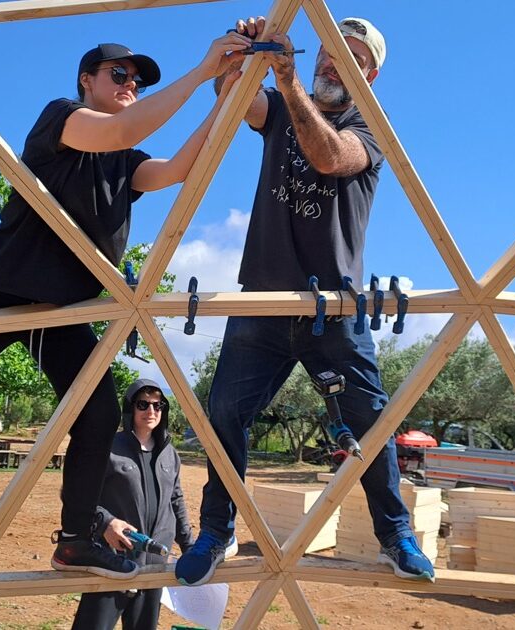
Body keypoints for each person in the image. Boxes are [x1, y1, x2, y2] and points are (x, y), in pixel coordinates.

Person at [0, 32, 252, 607]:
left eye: (137, 81)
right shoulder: (62, 120)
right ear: (87, 80)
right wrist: (206, 67)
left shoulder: (126, 166)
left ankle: (76, 538)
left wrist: (228, 94)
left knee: (100, 412)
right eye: (119, 75)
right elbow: (126, 130)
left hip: (58, 311)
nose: (130, 85)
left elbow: (182, 167)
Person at [175, 17, 436, 586]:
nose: (329, 63)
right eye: (325, 51)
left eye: (347, 57)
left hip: (334, 309)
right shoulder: (276, 106)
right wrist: (239, 53)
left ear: (370, 74)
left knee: (372, 421)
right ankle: (217, 531)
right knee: (224, 414)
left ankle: (395, 535)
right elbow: (236, 101)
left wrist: (290, 84)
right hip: (263, 301)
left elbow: (328, 157)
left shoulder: (370, 129)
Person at [72, 379, 191, 629]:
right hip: (113, 560)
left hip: (155, 563)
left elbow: (176, 500)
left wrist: (189, 545)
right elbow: (79, 495)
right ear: (130, 408)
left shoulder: (170, 452)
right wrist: (105, 522)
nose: (151, 411)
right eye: (143, 404)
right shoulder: (108, 448)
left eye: (158, 406)